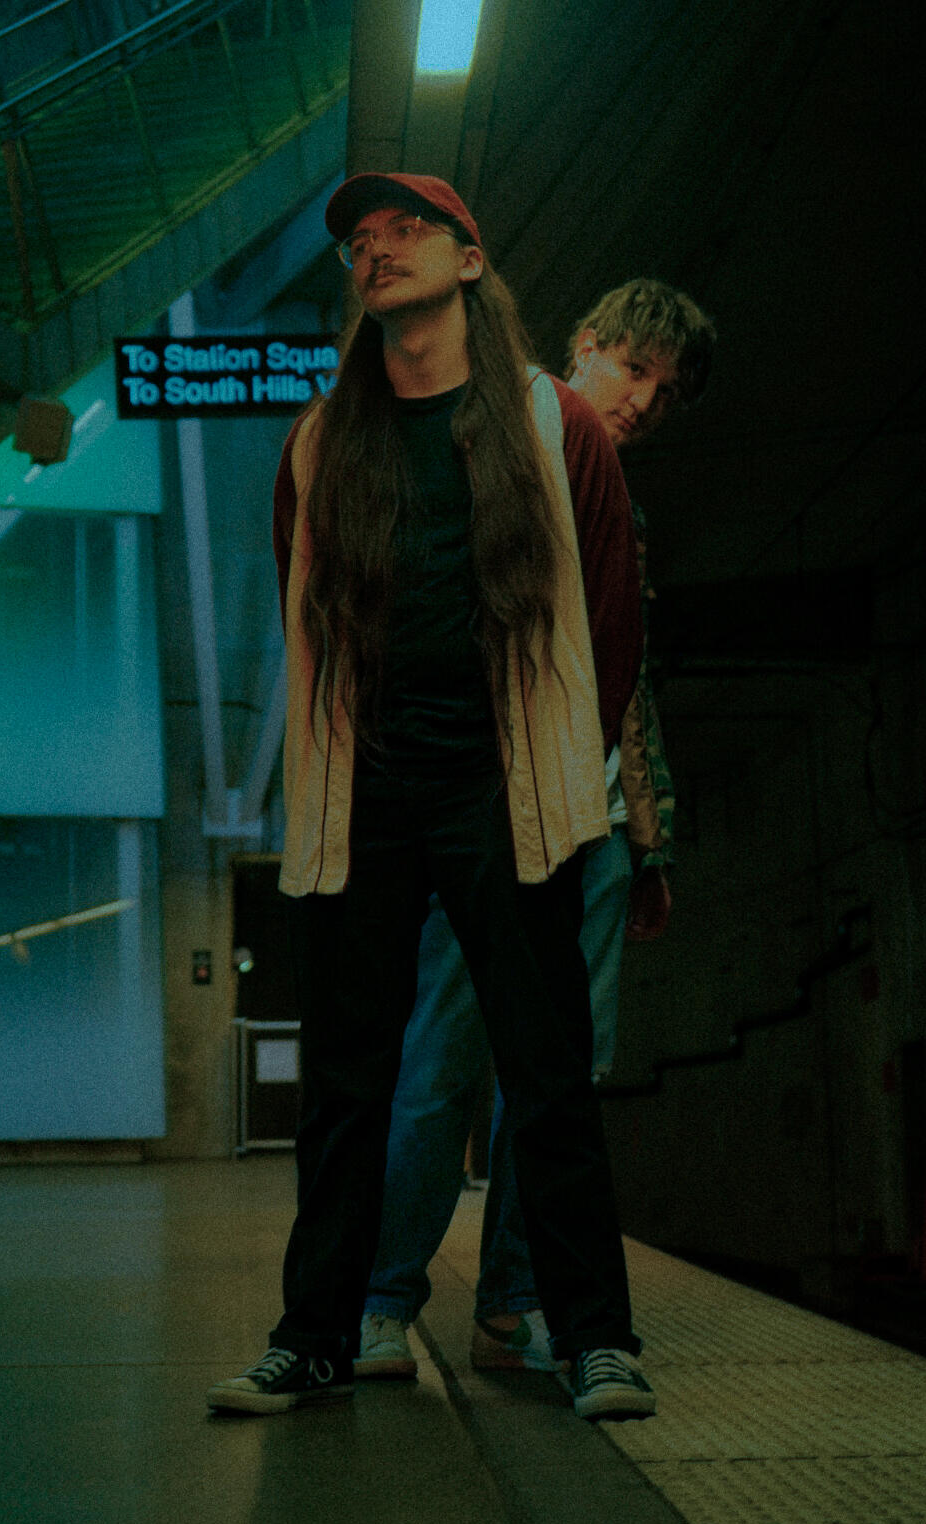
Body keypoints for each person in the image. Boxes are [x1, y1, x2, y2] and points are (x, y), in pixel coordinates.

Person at [207, 173, 656, 1421]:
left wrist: (555, 765)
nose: (376, 250)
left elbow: (609, 618)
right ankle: (315, 1336)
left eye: (406, 230)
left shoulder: (552, 423)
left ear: (468, 261)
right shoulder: (320, 441)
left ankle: (596, 1336)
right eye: (360, 240)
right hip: (368, 791)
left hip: (505, 791)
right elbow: (305, 610)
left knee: (547, 1074)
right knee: (346, 1082)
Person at [356, 278, 716, 1380]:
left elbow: (631, 685)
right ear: (586, 345)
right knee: (440, 1063)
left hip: (595, 827)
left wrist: (647, 840)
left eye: (666, 391)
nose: (644, 401)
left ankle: (512, 1303)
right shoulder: (493, 449)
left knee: (556, 1082)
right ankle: (380, 1300)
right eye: (634, 369)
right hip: (496, 818)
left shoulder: (623, 505)